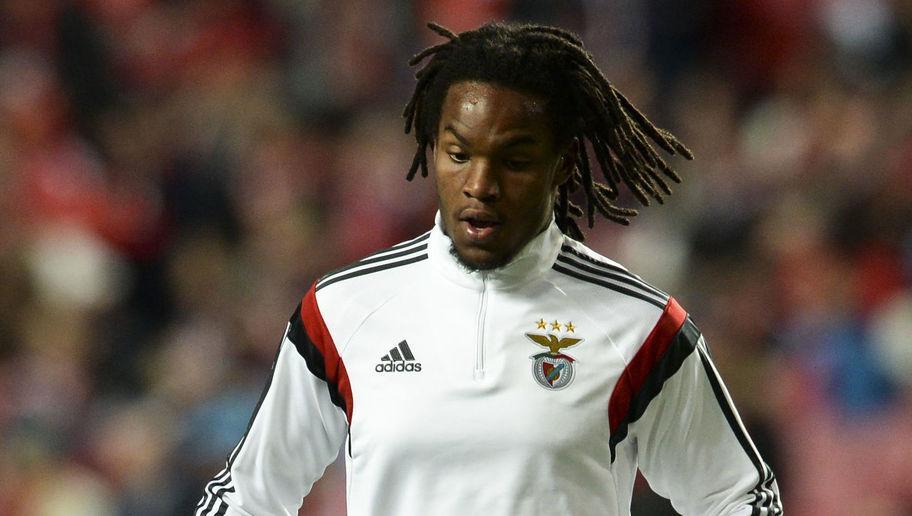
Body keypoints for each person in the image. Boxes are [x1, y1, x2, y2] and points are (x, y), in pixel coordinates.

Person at [196, 21, 782, 516]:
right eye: (459, 154)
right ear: (431, 150)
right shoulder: (342, 311)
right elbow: (246, 495)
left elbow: (739, 497)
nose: (481, 185)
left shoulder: (638, 326)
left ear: (562, 163)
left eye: (516, 160)